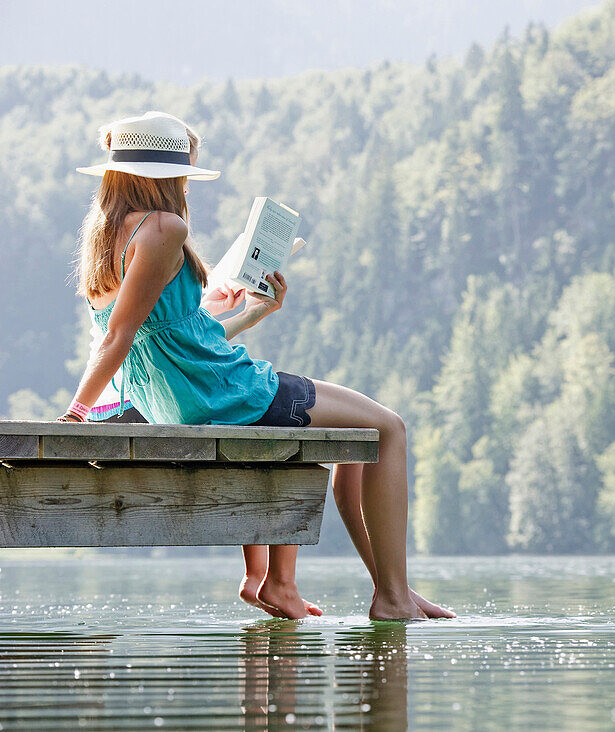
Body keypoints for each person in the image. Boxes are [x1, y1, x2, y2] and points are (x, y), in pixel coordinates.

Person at [62, 111, 453, 621]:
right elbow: (120, 335)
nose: (185, 188)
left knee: (361, 440)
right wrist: (75, 413)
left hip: (189, 396)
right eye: (183, 176)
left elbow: (167, 341)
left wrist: (252, 311)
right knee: (389, 428)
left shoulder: (107, 231)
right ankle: (393, 596)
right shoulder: (165, 228)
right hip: (228, 394)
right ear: (165, 179)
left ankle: (390, 586)